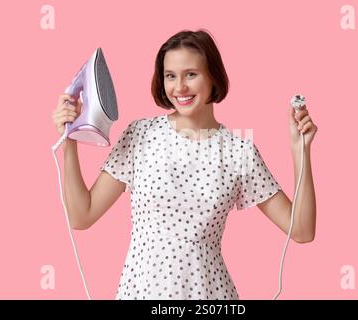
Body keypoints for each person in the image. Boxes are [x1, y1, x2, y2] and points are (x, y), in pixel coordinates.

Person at [51, 29, 318, 300]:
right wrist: (69, 137)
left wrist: (300, 151)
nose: (179, 87)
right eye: (170, 76)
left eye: (190, 74)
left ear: (213, 76)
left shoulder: (239, 152)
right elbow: (81, 215)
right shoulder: (140, 135)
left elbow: (302, 230)